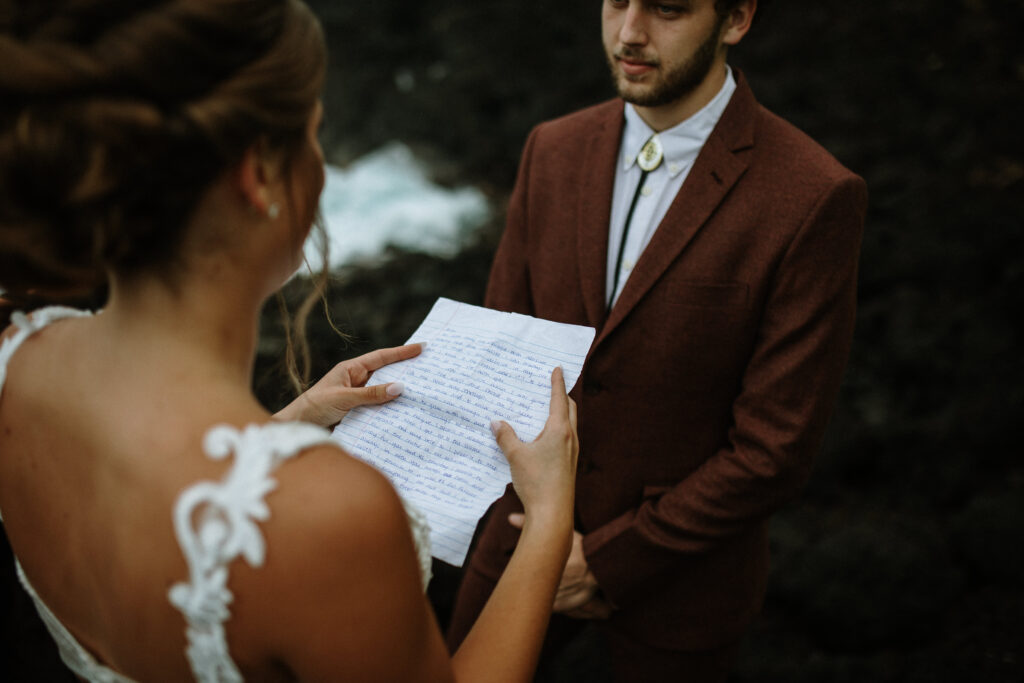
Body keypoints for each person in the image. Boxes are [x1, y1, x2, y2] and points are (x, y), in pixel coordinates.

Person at [0, 1, 580, 681]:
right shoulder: (325, 515)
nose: (322, 165)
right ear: (261, 174)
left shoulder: (20, 360)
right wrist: (547, 517)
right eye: (314, 134)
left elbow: (148, 497)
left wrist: (298, 418)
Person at [446, 0, 868, 680]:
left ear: (736, 19)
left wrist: (609, 560)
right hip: (516, 542)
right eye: (616, 2)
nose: (630, 33)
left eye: (668, 8)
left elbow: (775, 448)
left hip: (683, 583)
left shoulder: (813, 195)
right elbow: (501, 353)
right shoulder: (550, 149)